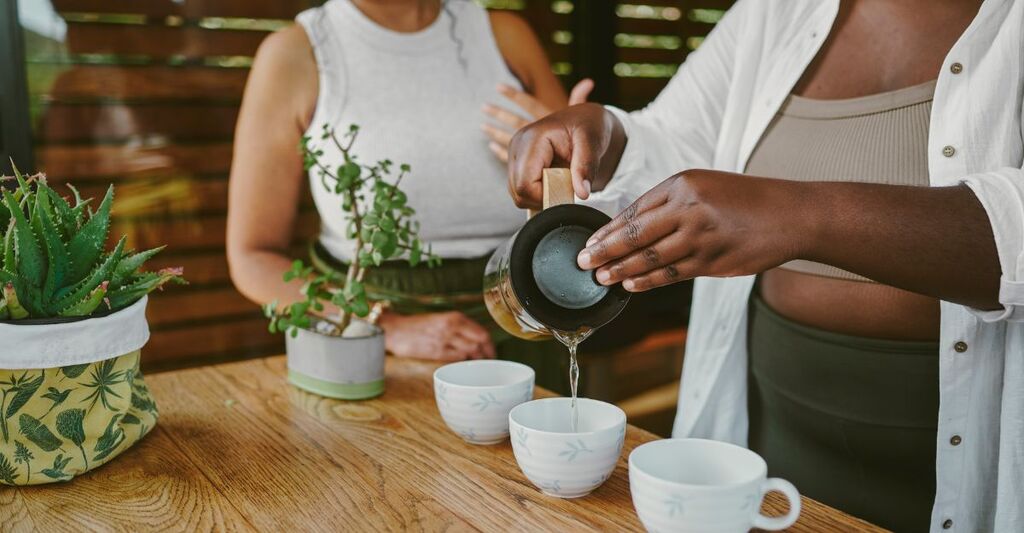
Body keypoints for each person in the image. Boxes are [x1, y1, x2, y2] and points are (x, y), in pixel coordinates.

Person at [507, 0, 1023, 531]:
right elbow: (675, 135)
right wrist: (606, 134)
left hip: (972, 450)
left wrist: (803, 216)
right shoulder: (775, 11)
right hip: (774, 431)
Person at [226, 0, 590, 390]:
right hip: (373, 356)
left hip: (530, 329)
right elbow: (252, 256)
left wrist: (572, 160)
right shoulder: (298, 53)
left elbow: (574, 202)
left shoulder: (506, 36)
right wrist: (387, 326)